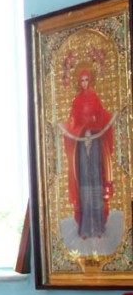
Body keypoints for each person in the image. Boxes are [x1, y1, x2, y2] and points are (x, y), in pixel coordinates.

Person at [60, 67, 116, 239]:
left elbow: (102, 116)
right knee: (84, 179)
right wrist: (69, 128)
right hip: (81, 140)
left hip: (96, 138)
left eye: (86, 80)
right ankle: (85, 227)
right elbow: (73, 121)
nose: (84, 83)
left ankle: (98, 226)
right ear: (79, 82)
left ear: (90, 80)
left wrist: (109, 119)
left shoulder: (94, 97)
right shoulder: (77, 100)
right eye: (82, 80)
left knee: (96, 178)